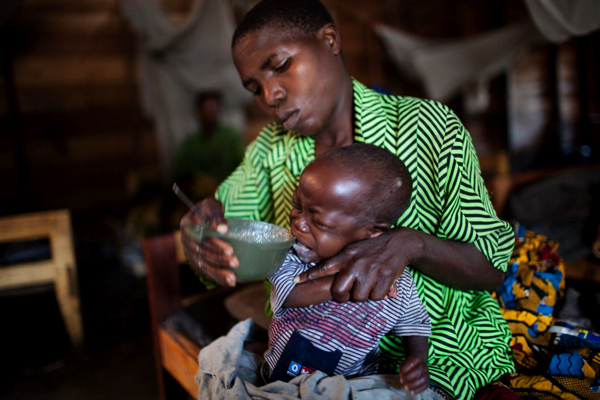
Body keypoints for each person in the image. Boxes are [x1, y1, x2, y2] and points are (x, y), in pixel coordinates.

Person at [180, 0, 515, 398]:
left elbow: (491, 267)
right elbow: (224, 230)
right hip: (309, 361)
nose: (270, 94)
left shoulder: (430, 128)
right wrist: (201, 237)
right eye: (254, 88)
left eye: (281, 65)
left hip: (437, 358)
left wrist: (411, 244)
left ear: (329, 39)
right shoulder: (271, 150)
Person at [265, 143, 431, 395]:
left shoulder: (393, 277)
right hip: (282, 378)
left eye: (318, 221)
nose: (298, 222)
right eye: (297, 205)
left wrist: (417, 360)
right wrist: (350, 279)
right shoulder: (290, 251)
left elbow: (414, 323)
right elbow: (290, 295)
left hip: (353, 384)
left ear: (374, 232)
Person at [171, 92, 244, 199]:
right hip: (197, 199)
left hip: (229, 197)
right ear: (198, 112)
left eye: (214, 108)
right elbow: (178, 175)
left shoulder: (231, 138)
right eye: (207, 108)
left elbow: (243, 168)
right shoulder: (190, 143)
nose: (210, 112)